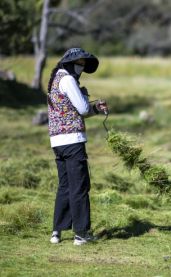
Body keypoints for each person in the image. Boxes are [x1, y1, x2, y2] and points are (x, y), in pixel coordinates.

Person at [47, 48, 108, 245]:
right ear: (68, 62)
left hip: (57, 141)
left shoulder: (56, 79)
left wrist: (95, 108)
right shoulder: (68, 80)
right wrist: (89, 102)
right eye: (78, 63)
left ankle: (57, 231)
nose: (81, 67)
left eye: (83, 64)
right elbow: (82, 108)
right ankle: (81, 234)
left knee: (65, 186)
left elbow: (72, 109)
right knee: (79, 187)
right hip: (72, 140)